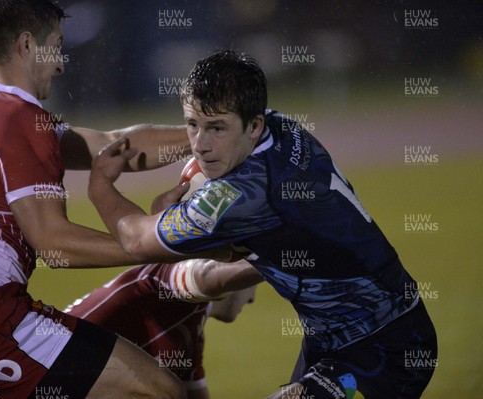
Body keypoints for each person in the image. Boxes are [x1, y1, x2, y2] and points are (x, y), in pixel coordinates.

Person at [0, 1, 195, 398]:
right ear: (28, 45)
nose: (62, 64)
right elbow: (53, 243)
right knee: (156, 390)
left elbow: (110, 147)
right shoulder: (17, 116)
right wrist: (162, 243)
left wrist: (210, 135)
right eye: (57, 46)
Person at [88, 51, 438, 398]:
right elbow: (246, 243)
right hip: (333, 343)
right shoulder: (278, 125)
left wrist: (101, 185)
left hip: (385, 350)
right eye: (193, 125)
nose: (199, 145)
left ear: (252, 126)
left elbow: (136, 240)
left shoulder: (238, 196)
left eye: (216, 129)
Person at [64, 258, 262, 399]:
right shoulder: (161, 277)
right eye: (255, 283)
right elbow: (204, 276)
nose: (252, 299)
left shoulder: (190, 335)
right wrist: (269, 262)